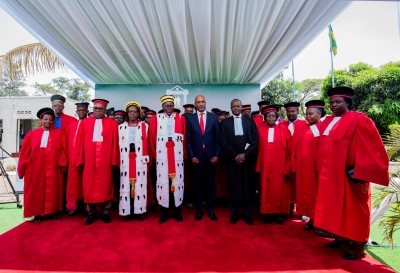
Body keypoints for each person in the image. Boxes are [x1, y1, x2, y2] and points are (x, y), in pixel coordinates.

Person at [314, 87, 389, 260]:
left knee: (354, 209)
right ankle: (340, 236)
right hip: (331, 174)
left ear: (348, 102)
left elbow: (371, 147)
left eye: (338, 102)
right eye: (332, 102)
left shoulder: (359, 120)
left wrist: (363, 171)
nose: (334, 105)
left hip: (350, 176)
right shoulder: (328, 121)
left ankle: (357, 244)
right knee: (334, 206)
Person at [76, 99, 120, 225]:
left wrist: (114, 161)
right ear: (93, 110)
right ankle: (91, 213)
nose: (98, 111)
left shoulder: (112, 123)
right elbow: (79, 144)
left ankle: (106, 212)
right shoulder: (85, 123)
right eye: (96, 108)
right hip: (89, 161)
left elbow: (115, 144)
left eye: (100, 109)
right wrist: (80, 160)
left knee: (106, 185)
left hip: (105, 161)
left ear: (105, 111)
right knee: (89, 186)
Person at [18, 108, 66, 223]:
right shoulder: (31, 135)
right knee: (37, 190)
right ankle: (37, 213)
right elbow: (24, 153)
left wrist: (62, 164)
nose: (48, 122)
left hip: (54, 168)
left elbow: (64, 151)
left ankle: (53, 211)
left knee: (54, 189)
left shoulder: (59, 134)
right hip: (35, 168)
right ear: (41, 120)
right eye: (46, 119)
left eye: (50, 120)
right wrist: (23, 167)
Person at [219, 99, 258, 225]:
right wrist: (235, 155)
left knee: (247, 187)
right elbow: (223, 142)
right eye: (234, 106)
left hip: (246, 161)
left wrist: (245, 155)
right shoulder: (225, 123)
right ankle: (234, 213)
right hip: (232, 161)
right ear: (230, 108)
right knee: (233, 187)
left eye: (238, 106)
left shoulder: (249, 122)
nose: (236, 108)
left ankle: (247, 214)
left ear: (241, 107)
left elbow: (255, 141)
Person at [149, 95, 187, 223]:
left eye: (171, 105)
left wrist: (184, 155)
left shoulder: (181, 118)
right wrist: (155, 155)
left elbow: (184, 136)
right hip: (163, 156)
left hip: (176, 155)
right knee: (163, 183)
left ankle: (178, 212)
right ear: (162, 107)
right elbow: (152, 138)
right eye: (167, 106)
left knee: (177, 183)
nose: (169, 108)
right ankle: (164, 212)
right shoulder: (156, 118)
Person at [186, 95, 220, 221]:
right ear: (195, 104)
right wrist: (192, 156)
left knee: (210, 184)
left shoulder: (213, 118)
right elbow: (188, 141)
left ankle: (211, 210)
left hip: (211, 156)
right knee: (198, 184)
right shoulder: (190, 119)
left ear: (205, 103)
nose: (200, 104)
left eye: (202, 102)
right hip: (197, 157)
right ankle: (199, 210)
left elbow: (218, 139)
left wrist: (217, 155)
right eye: (198, 102)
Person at [293, 100, 326, 229]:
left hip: (317, 168)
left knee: (318, 194)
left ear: (319, 114)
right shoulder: (302, 128)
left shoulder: (324, 128)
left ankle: (320, 221)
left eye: (310, 114)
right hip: (304, 168)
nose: (307, 117)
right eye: (306, 114)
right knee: (306, 193)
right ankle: (310, 219)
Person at [256, 105, 291, 225]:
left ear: (277, 117)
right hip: (265, 164)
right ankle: (267, 213)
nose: (271, 118)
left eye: (273, 116)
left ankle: (278, 214)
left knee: (279, 189)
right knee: (266, 189)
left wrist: (288, 165)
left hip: (279, 165)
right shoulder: (260, 129)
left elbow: (290, 149)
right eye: (268, 116)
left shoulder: (284, 129)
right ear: (264, 118)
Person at [118, 101, 151, 221]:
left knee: (140, 185)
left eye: (135, 111)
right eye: (130, 111)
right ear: (127, 113)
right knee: (126, 185)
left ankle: (139, 210)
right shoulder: (121, 127)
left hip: (140, 160)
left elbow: (148, 143)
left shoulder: (145, 126)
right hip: (126, 160)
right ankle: (127, 210)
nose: (132, 113)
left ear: (138, 113)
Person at [50, 94, 77, 213]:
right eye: (56, 105)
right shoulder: (47, 120)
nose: (58, 107)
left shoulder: (71, 120)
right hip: (51, 155)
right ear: (52, 106)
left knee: (65, 180)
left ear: (63, 107)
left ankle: (64, 204)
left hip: (67, 153)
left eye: (60, 106)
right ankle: (52, 205)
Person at [282, 102, 308, 213]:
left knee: (301, 184)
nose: (290, 113)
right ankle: (288, 205)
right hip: (286, 159)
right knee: (287, 183)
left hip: (299, 159)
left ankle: (303, 209)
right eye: (288, 111)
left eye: (293, 111)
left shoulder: (304, 124)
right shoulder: (282, 125)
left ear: (297, 111)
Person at [66, 102, 89, 216]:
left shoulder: (90, 123)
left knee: (85, 182)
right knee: (76, 184)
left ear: (87, 111)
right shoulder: (72, 125)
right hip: (72, 158)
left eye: (83, 111)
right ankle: (78, 206)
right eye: (79, 111)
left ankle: (87, 207)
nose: (81, 112)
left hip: (84, 158)